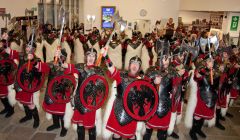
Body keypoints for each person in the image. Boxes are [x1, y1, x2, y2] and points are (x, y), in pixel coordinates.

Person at [102, 51, 143, 139]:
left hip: (132, 111)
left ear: (139, 68)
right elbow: (111, 68)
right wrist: (106, 56)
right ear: (129, 65)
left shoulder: (142, 81)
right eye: (133, 63)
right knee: (117, 134)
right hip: (118, 108)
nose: (134, 66)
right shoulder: (121, 75)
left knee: (131, 135)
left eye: (137, 64)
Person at [42, 48, 78, 137]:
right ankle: (56, 124)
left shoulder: (67, 67)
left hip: (63, 95)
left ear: (64, 58)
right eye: (58, 55)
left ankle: (64, 128)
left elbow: (76, 71)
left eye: (61, 56)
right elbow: (42, 67)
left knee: (61, 112)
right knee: (53, 110)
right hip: (52, 92)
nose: (59, 57)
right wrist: (34, 62)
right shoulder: (52, 64)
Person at [72, 48, 105, 140]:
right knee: (80, 123)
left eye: (93, 56)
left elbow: (102, 88)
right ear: (86, 57)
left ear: (95, 58)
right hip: (79, 99)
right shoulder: (79, 67)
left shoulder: (99, 70)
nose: (91, 57)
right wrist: (59, 58)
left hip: (91, 101)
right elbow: (67, 68)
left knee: (90, 123)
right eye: (89, 55)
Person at [185, 54, 218, 140]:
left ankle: (198, 129)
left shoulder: (214, 70)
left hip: (211, 96)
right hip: (201, 96)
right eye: (209, 61)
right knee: (198, 115)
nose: (211, 62)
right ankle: (192, 131)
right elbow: (197, 76)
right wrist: (206, 69)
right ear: (206, 62)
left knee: (204, 115)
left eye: (213, 61)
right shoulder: (201, 69)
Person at [15, 42, 47, 128]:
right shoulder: (22, 56)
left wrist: (32, 60)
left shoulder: (37, 59)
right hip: (21, 83)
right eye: (27, 46)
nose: (27, 48)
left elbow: (41, 72)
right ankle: (28, 116)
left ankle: (36, 119)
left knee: (30, 104)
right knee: (24, 102)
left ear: (34, 49)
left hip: (30, 86)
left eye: (30, 47)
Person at [0, 38, 19, 118]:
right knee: (1, 95)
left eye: (1, 43)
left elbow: (15, 62)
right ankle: (6, 107)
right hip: (0, 76)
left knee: (7, 94)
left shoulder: (10, 52)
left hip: (7, 77)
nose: (0, 44)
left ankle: (11, 109)